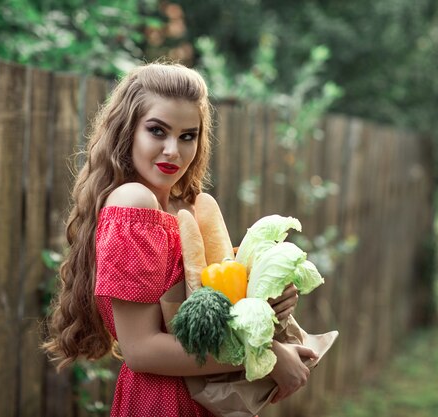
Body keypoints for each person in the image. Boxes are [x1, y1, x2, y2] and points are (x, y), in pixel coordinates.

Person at [44, 62, 318, 416]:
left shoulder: (188, 207)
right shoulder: (132, 202)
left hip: (207, 399)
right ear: (127, 132)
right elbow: (142, 350)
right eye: (157, 131)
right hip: (161, 402)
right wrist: (265, 356)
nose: (173, 150)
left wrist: (269, 298)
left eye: (188, 135)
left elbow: (220, 305)